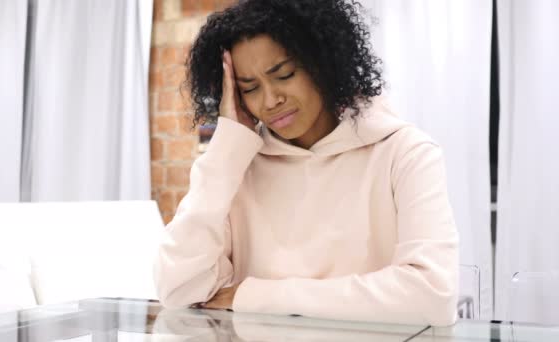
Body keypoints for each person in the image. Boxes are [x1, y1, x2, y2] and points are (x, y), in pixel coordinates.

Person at [154, 0, 459, 326]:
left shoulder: (405, 153)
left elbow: (432, 297)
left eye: (284, 75)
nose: (270, 100)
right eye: (250, 88)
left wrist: (253, 296)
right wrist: (226, 148)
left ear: (322, 62)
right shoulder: (236, 170)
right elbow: (176, 289)